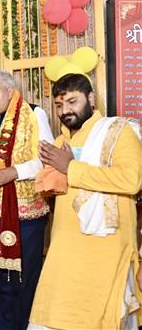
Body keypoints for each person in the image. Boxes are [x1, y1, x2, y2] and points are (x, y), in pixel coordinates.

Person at [29, 73, 142, 330]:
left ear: (91, 99)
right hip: (65, 246)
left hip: (105, 247)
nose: (65, 111)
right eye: (59, 105)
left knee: (100, 317)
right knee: (53, 316)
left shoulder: (119, 131)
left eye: (72, 102)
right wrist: (47, 174)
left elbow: (131, 180)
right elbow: (54, 191)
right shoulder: (62, 141)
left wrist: (70, 167)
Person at [0, 69, 54, 330]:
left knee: (24, 281)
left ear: (10, 91)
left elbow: (47, 161)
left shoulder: (34, 114)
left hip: (25, 217)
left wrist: (14, 172)